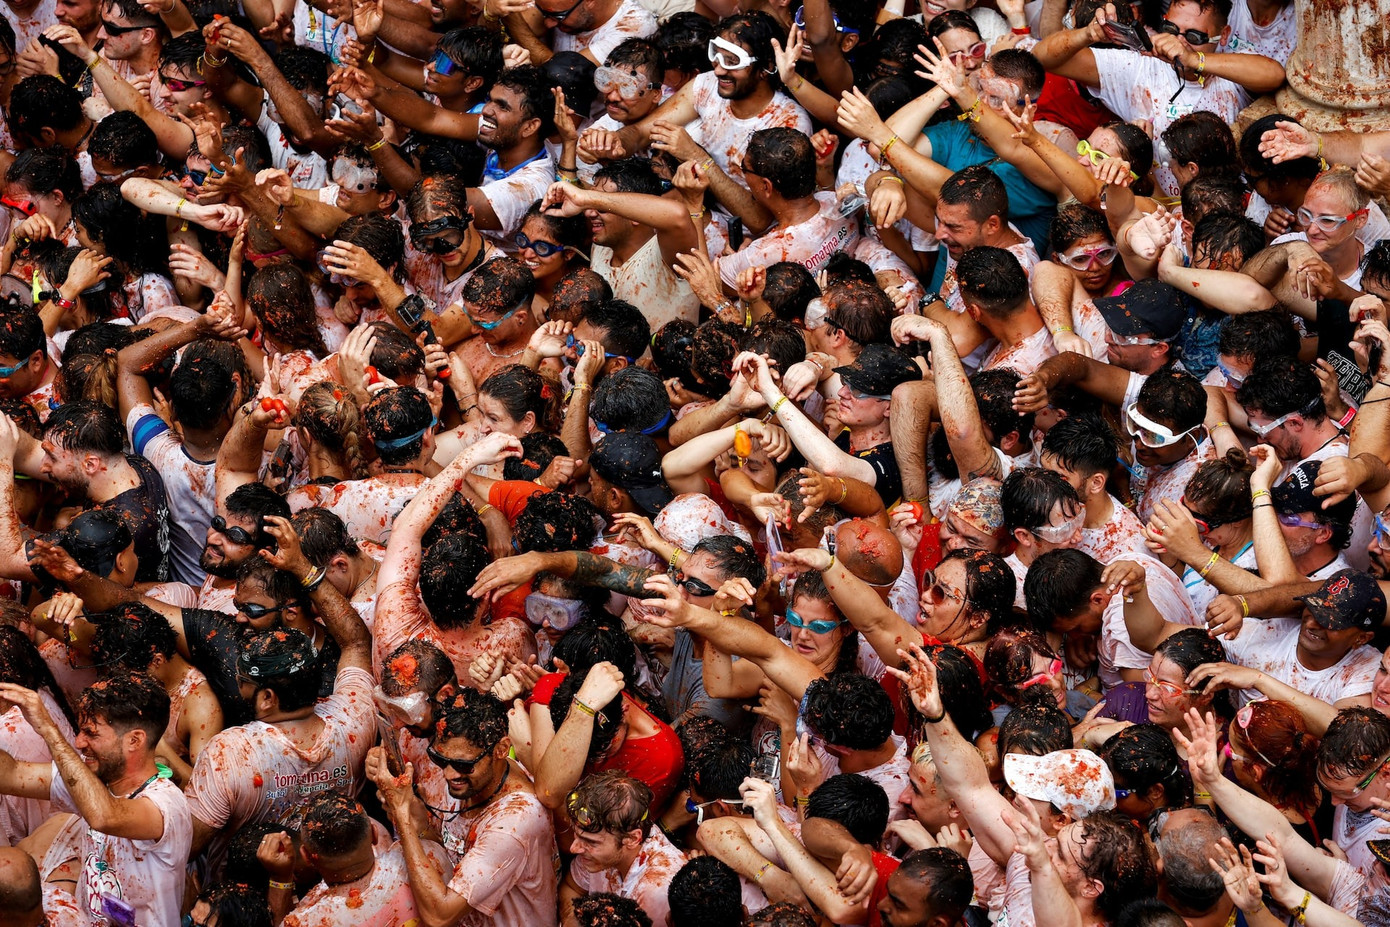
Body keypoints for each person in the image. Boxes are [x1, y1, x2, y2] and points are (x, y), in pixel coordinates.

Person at [0, 673, 191, 927]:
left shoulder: (166, 803)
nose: (79, 742)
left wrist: (48, 729)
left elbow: (104, 816)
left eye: (91, 733)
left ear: (134, 740)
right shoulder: (94, 780)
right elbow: (12, 774)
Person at [562, 770, 685, 927]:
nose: (574, 848)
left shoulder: (659, 890)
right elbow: (571, 888)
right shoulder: (601, 845)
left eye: (590, 842)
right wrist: (573, 920)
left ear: (632, 839)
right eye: (577, 835)